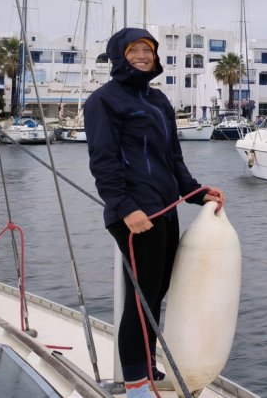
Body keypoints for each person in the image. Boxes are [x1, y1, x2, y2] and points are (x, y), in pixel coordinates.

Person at [85, 27, 225, 398]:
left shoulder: (158, 99)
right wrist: (125, 207)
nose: (143, 56)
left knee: (157, 292)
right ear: (119, 55)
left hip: (164, 210)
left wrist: (196, 193)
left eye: (148, 50)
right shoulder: (103, 101)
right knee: (141, 299)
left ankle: (146, 368)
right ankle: (136, 386)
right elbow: (103, 161)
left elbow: (172, 157)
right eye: (134, 50)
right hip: (134, 215)